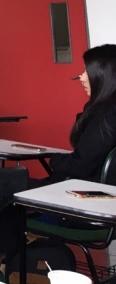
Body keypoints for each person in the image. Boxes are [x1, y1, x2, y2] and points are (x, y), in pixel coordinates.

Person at [44, 44, 116, 183]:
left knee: (6, 185)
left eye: (87, 71)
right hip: (95, 187)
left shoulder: (106, 114)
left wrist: (53, 159)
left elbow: (78, 167)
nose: (81, 78)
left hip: (87, 189)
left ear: (105, 74)